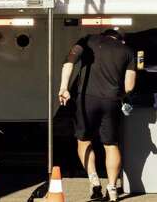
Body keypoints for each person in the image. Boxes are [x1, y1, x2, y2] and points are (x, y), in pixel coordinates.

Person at [58, 28, 136, 201]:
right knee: (111, 144)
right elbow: (130, 86)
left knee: (84, 140)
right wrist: (118, 95)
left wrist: (64, 87)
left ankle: (94, 183)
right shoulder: (128, 51)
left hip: (86, 99)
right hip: (112, 101)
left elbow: (69, 61)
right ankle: (113, 189)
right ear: (120, 40)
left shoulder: (88, 40)